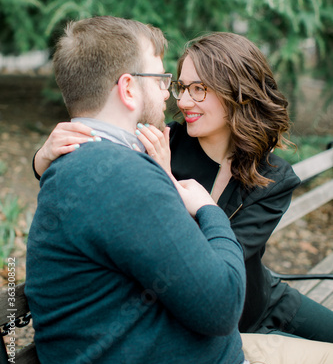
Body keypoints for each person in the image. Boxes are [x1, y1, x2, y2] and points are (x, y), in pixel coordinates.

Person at [34, 31, 333, 345]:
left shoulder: (274, 176)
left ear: (238, 94)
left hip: (261, 302)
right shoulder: (161, 141)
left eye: (199, 89)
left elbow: (223, 257)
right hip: (214, 329)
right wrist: (42, 160)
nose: (183, 100)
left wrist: (166, 179)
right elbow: (89, 177)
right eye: (182, 86)